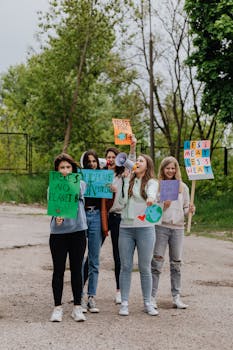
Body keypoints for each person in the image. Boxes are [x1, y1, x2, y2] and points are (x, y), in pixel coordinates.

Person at [151, 156, 195, 310]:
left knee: (176, 263)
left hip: (178, 228)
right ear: (162, 169)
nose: (170, 171)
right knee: (157, 262)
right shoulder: (157, 186)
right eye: (167, 168)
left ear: (176, 170)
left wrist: (189, 210)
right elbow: (153, 211)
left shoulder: (183, 187)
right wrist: (163, 205)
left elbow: (184, 208)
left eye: (173, 168)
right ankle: (152, 297)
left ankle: (176, 296)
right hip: (161, 227)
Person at [118, 154, 159, 316]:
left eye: (141, 161)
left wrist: (150, 198)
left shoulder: (151, 182)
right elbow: (121, 202)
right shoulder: (127, 181)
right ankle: (124, 302)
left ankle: (147, 302)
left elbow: (152, 192)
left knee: (145, 267)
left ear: (147, 166)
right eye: (136, 161)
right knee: (126, 266)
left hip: (145, 228)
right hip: (126, 228)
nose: (137, 162)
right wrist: (126, 181)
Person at [49, 153, 87, 322]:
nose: (65, 170)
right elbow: (54, 204)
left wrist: (70, 181)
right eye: (62, 168)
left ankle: (77, 307)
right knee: (58, 270)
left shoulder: (81, 184)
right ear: (57, 170)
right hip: (58, 234)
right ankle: (57, 307)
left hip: (78, 232)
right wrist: (57, 214)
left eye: (68, 167)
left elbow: (77, 191)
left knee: (76, 269)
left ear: (73, 169)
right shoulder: (52, 187)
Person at [104, 136, 137, 305]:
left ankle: (119, 290)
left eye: (113, 157)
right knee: (93, 253)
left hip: (117, 217)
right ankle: (82, 288)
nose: (110, 160)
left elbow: (131, 162)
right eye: (108, 157)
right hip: (103, 216)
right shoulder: (101, 174)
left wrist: (132, 147)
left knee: (118, 255)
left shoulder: (124, 175)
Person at [81, 150, 108, 313]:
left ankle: (92, 296)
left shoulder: (102, 177)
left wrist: (111, 189)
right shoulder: (80, 177)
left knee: (94, 259)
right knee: (78, 258)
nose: (92, 163)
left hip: (97, 216)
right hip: (82, 216)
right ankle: (80, 296)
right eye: (88, 161)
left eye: (94, 161)